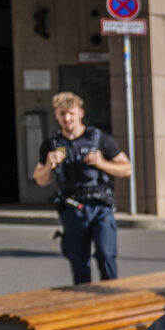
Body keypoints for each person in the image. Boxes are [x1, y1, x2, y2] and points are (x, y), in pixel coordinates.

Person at [30, 90, 130, 283]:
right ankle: (84, 303)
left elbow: (126, 169)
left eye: (71, 113)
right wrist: (50, 164)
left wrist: (102, 164)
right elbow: (40, 179)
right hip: (72, 208)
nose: (67, 118)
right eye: (61, 114)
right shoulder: (51, 144)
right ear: (56, 115)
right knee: (79, 262)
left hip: (100, 206)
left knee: (106, 255)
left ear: (81, 113)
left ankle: (113, 299)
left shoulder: (100, 139)